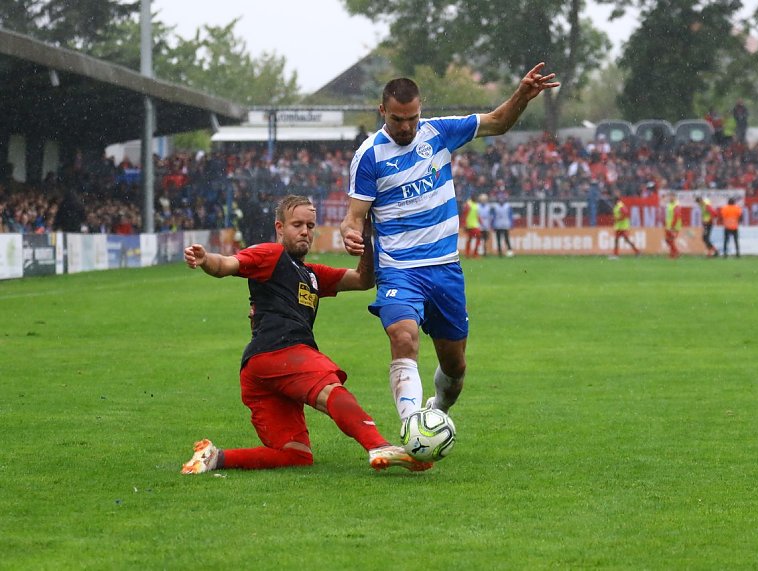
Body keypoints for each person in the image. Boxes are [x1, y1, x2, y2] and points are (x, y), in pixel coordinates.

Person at [340, 62, 559, 424]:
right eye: (397, 119)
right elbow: (354, 216)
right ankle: (413, 427)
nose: (406, 127)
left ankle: (438, 410)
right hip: (399, 271)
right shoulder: (369, 156)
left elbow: (497, 122)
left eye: (412, 118)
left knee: (455, 368)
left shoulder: (439, 132)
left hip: (445, 269)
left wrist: (522, 95)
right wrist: (350, 232)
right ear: (382, 111)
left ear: (421, 110)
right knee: (403, 338)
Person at [180, 195, 430, 474]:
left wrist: (366, 237)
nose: (305, 232)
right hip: (281, 351)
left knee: (295, 454)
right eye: (297, 225)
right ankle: (378, 445)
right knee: (331, 388)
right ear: (279, 227)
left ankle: (213, 457)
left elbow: (363, 280)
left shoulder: (312, 274)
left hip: (259, 370)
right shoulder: (271, 255)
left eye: (310, 226)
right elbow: (226, 264)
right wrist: (206, 260)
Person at [611, 194, 640, 258]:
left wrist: (617, 219)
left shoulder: (620, 206)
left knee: (626, 240)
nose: (612, 202)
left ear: (616, 200)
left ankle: (637, 251)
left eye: (613, 200)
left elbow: (625, 214)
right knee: (617, 240)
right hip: (619, 226)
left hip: (624, 227)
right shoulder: (616, 206)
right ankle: (615, 254)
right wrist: (615, 219)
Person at [492, 193, 514, 257]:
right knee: (498, 239)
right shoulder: (495, 206)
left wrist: (511, 224)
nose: (501, 200)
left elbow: (510, 216)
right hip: (498, 225)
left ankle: (509, 250)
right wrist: (493, 224)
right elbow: (494, 216)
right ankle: (500, 252)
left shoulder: (507, 206)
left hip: (505, 225)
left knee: (506, 238)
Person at [664, 192, 682, 259]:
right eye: (670, 196)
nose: (670, 198)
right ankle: (673, 253)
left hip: (674, 226)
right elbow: (668, 215)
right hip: (668, 225)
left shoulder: (676, 205)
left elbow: (677, 216)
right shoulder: (669, 204)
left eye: (672, 196)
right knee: (668, 240)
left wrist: (673, 226)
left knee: (671, 239)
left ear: (675, 197)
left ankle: (675, 252)